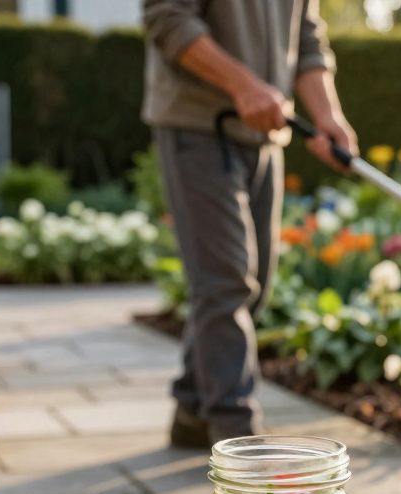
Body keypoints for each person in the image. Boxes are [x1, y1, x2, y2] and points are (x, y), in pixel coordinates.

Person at [142, 0, 357, 446]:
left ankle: (192, 407)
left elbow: (306, 36)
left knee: (256, 280)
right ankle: (236, 432)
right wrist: (243, 86)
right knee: (224, 282)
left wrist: (326, 115)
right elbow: (168, 18)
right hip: (199, 125)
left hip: (263, 136)